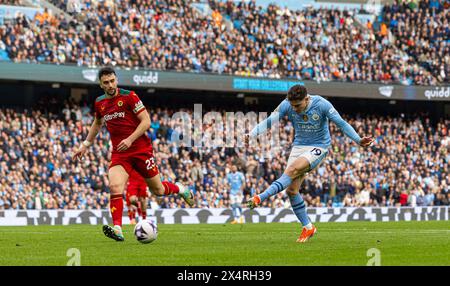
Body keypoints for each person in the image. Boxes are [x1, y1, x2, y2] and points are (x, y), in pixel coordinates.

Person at [72, 67, 193, 241]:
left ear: (116, 79)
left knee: (158, 190)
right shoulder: (100, 102)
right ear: (101, 84)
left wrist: (130, 139)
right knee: (115, 187)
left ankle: (180, 188)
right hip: (120, 154)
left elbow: (146, 122)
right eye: (106, 82)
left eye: (112, 80)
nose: (110, 84)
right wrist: (85, 144)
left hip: (141, 150)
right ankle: (118, 229)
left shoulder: (130, 96)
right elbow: (97, 123)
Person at [245, 85, 373, 243]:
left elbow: (342, 124)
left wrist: (358, 140)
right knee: (292, 191)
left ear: (307, 99)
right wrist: (251, 134)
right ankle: (308, 227)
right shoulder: (287, 104)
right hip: (298, 146)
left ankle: (260, 197)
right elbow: (270, 121)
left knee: (292, 170)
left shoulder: (322, 104)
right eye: (292, 106)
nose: (295, 109)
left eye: (298, 105)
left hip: (319, 146)